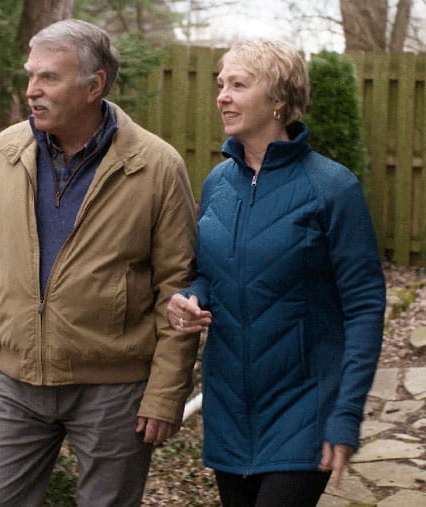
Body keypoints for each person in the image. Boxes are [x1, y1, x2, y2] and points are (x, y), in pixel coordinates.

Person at [0, 18, 200, 507]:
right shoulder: (1, 154)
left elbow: (178, 288)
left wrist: (166, 393)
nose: (32, 91)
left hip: (115, 389)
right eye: (31, 76)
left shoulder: (156, 165)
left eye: (49, 78)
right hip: (18, 383)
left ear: (94, 85)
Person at [167, 40, 386, 507]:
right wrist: (190, 298)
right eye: (220, 85)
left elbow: (365, 307)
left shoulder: (332, 187)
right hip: (228, 412)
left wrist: (345, 415)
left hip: (304, 410)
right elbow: (210, 274)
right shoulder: (217, 184)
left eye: (239, 85)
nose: (222, 96)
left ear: (279, 101)